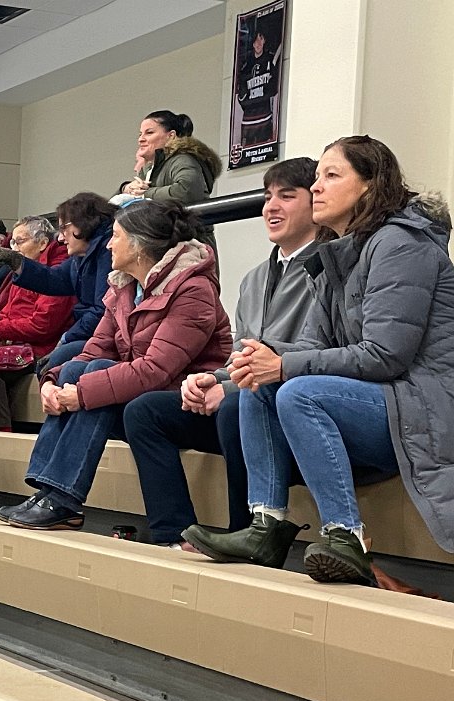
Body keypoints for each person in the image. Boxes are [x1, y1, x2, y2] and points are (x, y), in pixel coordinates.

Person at [186, 136, 454, 583]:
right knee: (260, 387)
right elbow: (312, 345)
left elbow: (385, 355)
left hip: (422, 410)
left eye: (331, 175)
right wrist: (231, 372)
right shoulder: (340, 252)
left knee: (299, 393)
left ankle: (346, 535)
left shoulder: (401, 245)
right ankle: (266, 526)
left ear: (369, 185)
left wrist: (283, 366)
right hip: (382, 404)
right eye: (316, 178)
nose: (317, 187)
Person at [0, 200, 230, 530]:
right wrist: (51, 382)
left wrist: (81, 394)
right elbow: (94, 350)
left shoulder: (193, 290)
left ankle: (62, 499)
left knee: (95, 377)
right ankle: (49, 492)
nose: (108, 245)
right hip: (138, 393)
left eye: (116, 236)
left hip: (184, 402)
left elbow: (155, 370)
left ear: (139, 244)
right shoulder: (123, 286)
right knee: (77, 369)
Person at [125, 157, 319, 548]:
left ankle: (245, 534)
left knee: (236, 406)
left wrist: (227, 388)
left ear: (316, 202)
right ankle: (173, 535)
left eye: (286, 196)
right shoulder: (255, 278)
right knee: (145, 411)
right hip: (244, 394)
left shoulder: (327, 271)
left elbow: (312, 355)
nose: (271, 207)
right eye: (267, 197)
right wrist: (208, 379)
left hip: (286, 406)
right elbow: (240, 354)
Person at [0, 192, 115, 373]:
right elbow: (54, 279)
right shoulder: (81, 256)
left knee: (60, 363)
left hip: (99, 336)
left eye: (63, 228)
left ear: (83, 224)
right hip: (86, 333)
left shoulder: (106, 252)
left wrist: (66, 338)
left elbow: (101, 311)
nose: (60, 238)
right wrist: (17, 263)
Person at [0, 216, 76, 429]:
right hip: (15, 343)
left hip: (41, 348)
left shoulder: (57, 271)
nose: (14, 248)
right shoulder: (24, 270)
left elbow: (42, 325)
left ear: (42, 243)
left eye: (20, 241)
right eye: (12, 242)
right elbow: (6, 313)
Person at [122, 110, 222, 254]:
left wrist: (144, 194)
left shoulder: (183, 159)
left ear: (171, 136)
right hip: (166, 247)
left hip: (192, 249)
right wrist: (126, 189)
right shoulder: (150, 169)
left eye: (149, 133)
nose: (141, 139)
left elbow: (186, 191)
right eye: (140, 134)